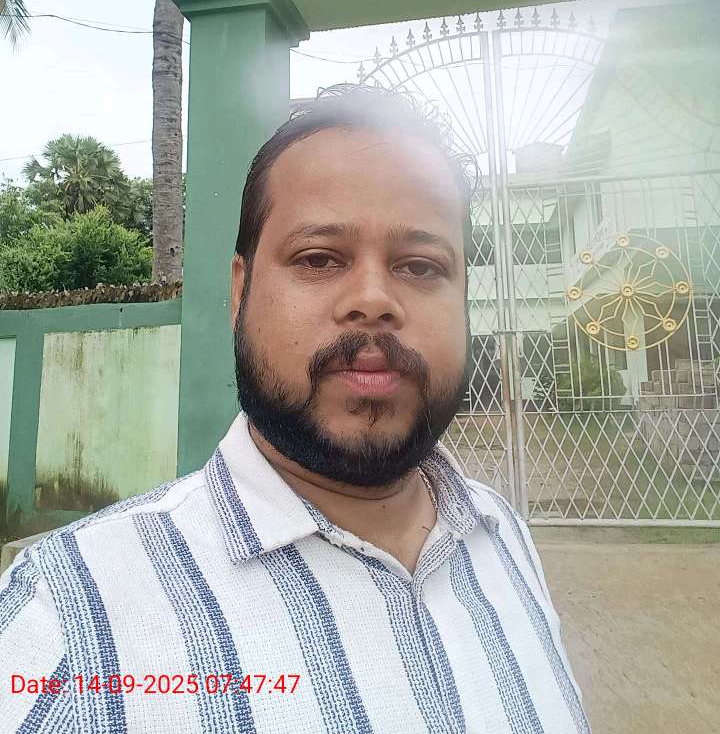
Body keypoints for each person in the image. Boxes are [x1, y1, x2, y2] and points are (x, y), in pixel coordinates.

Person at [0, 84, 590, 733]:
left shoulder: (503, 538)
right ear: (240, 292)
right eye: (318, 258)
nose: (374, 299)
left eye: (421, 267)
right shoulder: (69, 622)